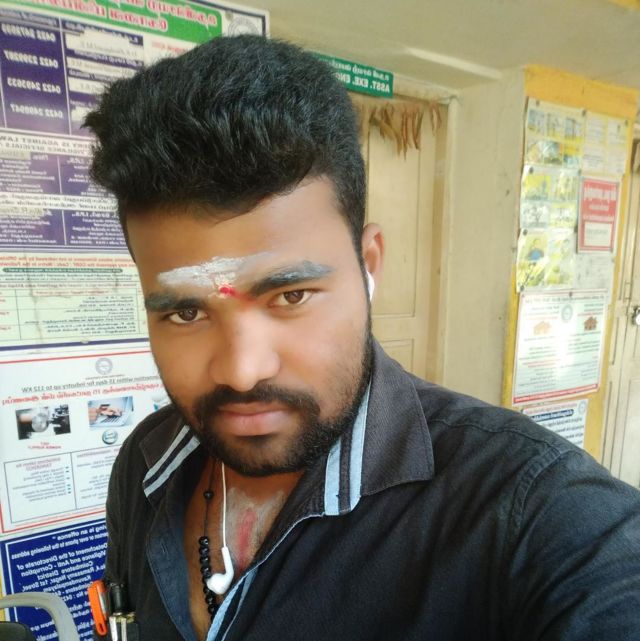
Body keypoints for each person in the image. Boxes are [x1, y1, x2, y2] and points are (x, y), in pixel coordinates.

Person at [85, 35, 640, 641]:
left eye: (291, 296)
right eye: (186, 313)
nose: (242, 371)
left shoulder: (530, 511)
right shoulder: (147, 463)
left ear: (368, 266)